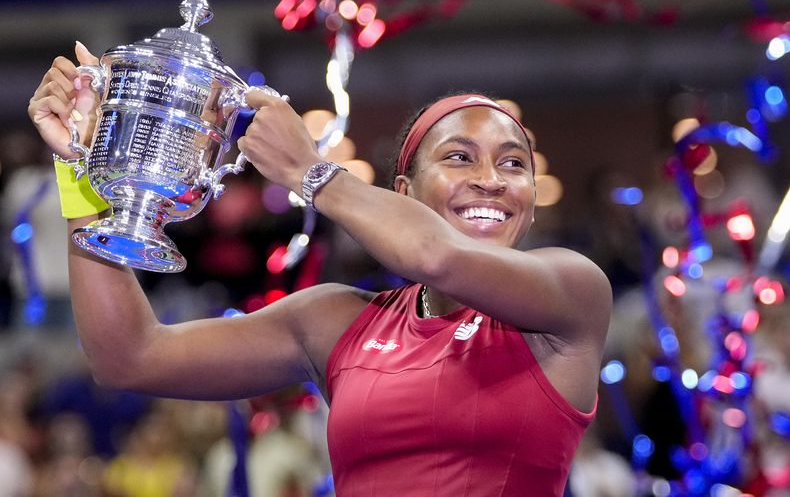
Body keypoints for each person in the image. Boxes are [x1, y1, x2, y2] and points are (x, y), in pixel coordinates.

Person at [27, 42, 612, 496]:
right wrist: (80, 172)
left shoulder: (571, 291)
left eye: (514, 164)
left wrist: (311, 172)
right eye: (460, 157)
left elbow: (436, 256)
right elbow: (129, 355)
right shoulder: (336, 321)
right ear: (404, 190)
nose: (491, 178)